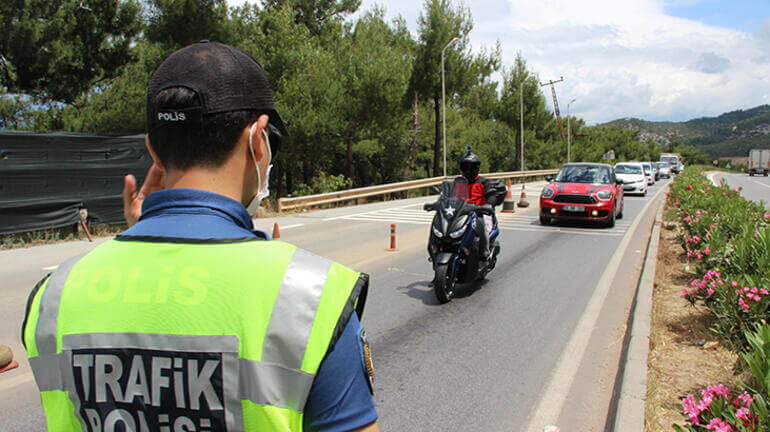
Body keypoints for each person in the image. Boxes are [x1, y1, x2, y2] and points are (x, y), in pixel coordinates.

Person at [21, 41, 379, 432]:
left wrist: (140, 242)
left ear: (153, 150)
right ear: (258, 139)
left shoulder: (53, 295)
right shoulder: (313, 299)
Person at [457, 148, 506, 258]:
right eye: (466, 167)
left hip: (481, 213)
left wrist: (488, 204)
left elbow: (492, 195)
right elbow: (451, 195)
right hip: (462, 212)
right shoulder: (459, 182)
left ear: (476, 168)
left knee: (480, 224)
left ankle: (485, 250)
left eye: (471, 167)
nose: (468, 170)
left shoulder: (484, 182)